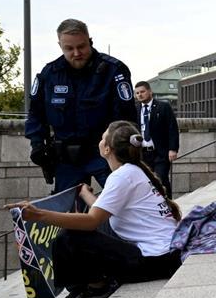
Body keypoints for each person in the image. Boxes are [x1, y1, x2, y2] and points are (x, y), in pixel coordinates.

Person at [5, 121, 183, 298]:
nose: (99, 141)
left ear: (107, 148)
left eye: (102, 137)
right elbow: (105, 210)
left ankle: (96, 287)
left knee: (70, 237)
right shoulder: (133, 171)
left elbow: (92, 221)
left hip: (154, 262)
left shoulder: (122, 176)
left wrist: (38, 214)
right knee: (95, 227)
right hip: (166, 257)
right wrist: (85, 194)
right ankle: (91, 284)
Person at [25, 18, 138, 192]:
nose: (77, 53)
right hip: (67, 158)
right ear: (60, 46)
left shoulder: (114, 70)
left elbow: (126, 117)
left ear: (90, 41)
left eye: (82, 46)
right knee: (67, 211)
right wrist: (37, 143)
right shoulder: (50, 74)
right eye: (69, 48)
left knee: (122, 204)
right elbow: (36, 114)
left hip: (106, 152)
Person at [134, 81, 180, 198]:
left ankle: (169, 207)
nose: (140, 95)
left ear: (150, 91)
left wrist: (173, 149)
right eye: (137, 93)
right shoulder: (135, 109)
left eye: (142, 92)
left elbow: (172, 128)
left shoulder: (163, 107)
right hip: (142, 154)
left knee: (161, 180)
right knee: (146, 183)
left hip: (160, 152)